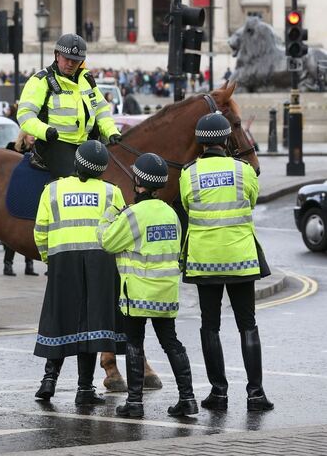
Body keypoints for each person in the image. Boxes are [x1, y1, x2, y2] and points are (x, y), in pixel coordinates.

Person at [179, 111, 273, 412]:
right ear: (226, 140)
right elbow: (251, 200)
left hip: (204, 262)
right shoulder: (243, 170)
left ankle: (218, 393)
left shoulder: (189, 173)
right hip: (240, 260)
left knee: (210, 326)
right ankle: (255, 394)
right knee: (247, 324)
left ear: (201, 142)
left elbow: (187, 204)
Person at [98, 153, 198, 419]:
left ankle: (135, 403)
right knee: (171, 343)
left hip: (138, 293)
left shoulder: (133, 214)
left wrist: (109, 215)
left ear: (138, 182)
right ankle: (188, 399)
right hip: (166, 292)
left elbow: (107, 242)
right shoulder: (170, 213)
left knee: (134, 343)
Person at [33, 140, 125, 405]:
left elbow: (40, 230)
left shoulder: (53, 190)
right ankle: (84, 389)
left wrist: (48, 258)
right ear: (102, 169)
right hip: (101, 263)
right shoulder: (112, 192)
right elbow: (119, 231)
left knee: (59, 319)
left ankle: (49, 380)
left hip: (62, 261)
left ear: (76, 163)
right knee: (92, 325)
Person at [17, 33, 121, 179]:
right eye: (67, 59)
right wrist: (45, 131)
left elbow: (101, 110)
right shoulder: (41, 80)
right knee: (75, 180)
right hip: (54, 144)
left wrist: (112, 132)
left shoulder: (87, 80)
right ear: (57, 55)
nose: (71, 64)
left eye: (75, 61)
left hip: (86, 144)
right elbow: (25, 114)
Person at [3, 131, 38, 277]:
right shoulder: (12, 147)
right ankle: (8, 265)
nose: (33, 137)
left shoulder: (38, 149)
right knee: (13, 230)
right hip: (15, 186)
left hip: (30, 188)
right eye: (30, 134)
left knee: (29, 229)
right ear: (24, 135)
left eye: (35, 135)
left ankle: (29, 266)